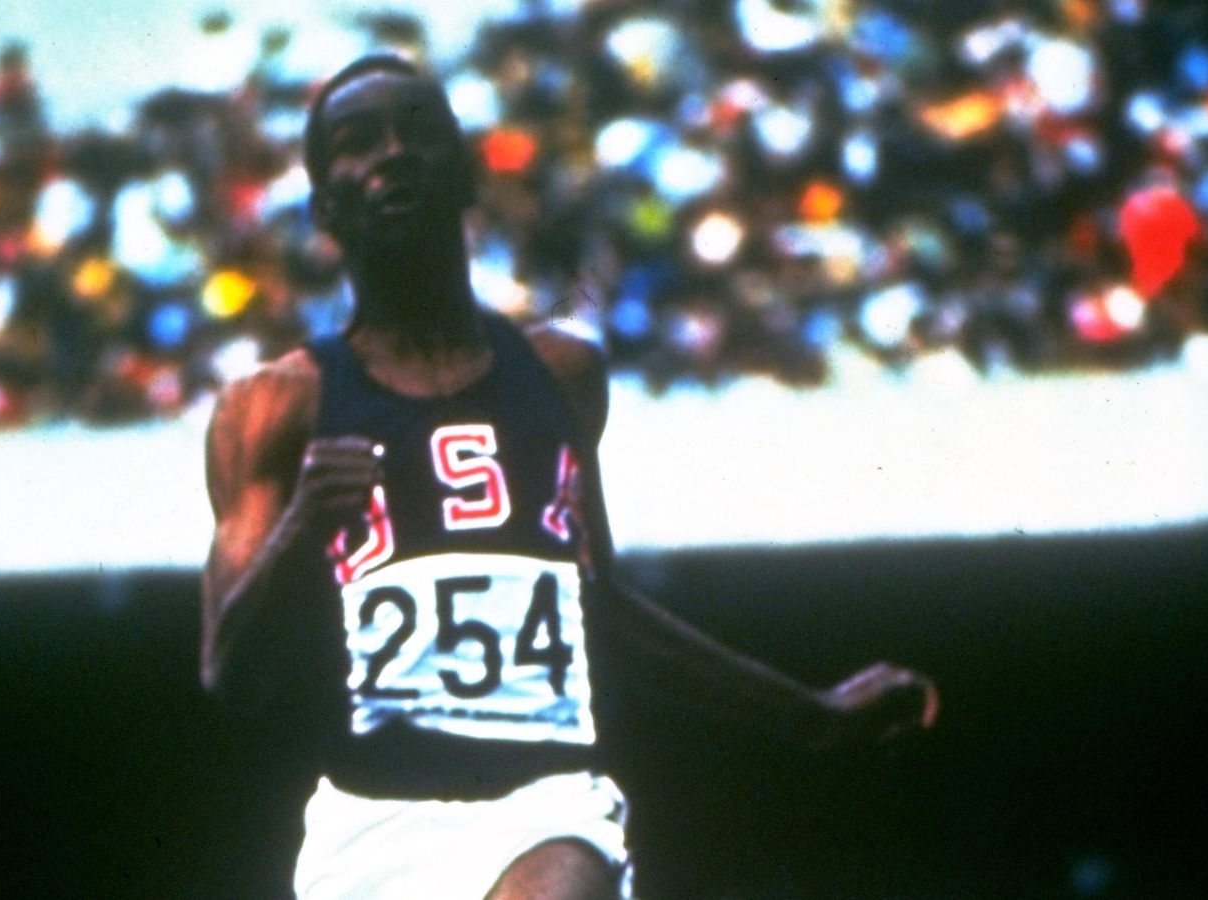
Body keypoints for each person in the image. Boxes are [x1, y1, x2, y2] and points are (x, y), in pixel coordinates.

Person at [200, 54, 938, 900]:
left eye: (419, 132)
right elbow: (231, 671)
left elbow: (600, 612)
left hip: (546, 805)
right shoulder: (274, 407)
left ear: (469, 170)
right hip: (371, 824)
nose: (393, 155)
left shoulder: (560, 373)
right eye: (359, 144)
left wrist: (813, 712)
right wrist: (301, 533)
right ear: (327, 205)